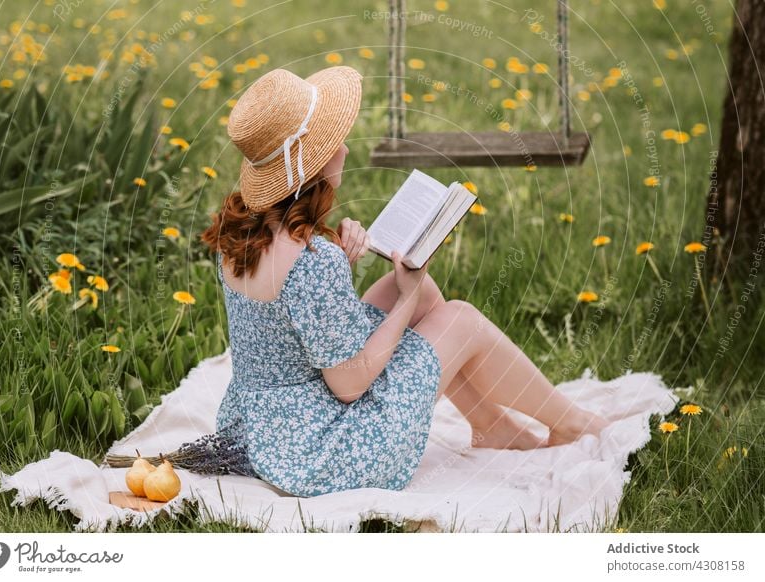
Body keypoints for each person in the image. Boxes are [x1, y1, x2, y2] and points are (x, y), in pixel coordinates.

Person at [200, 66, 609, 497]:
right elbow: (349, 385)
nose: (343, 148)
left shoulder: (240, 234)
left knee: (425, 295)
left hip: (258, 428)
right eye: (332, 141)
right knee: (459, 319)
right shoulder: (312, 262)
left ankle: (491, 426)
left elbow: (294, 321)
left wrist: (344, 255)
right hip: (325, 452)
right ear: (316, 164)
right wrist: (405, 299)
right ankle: (572, 423)